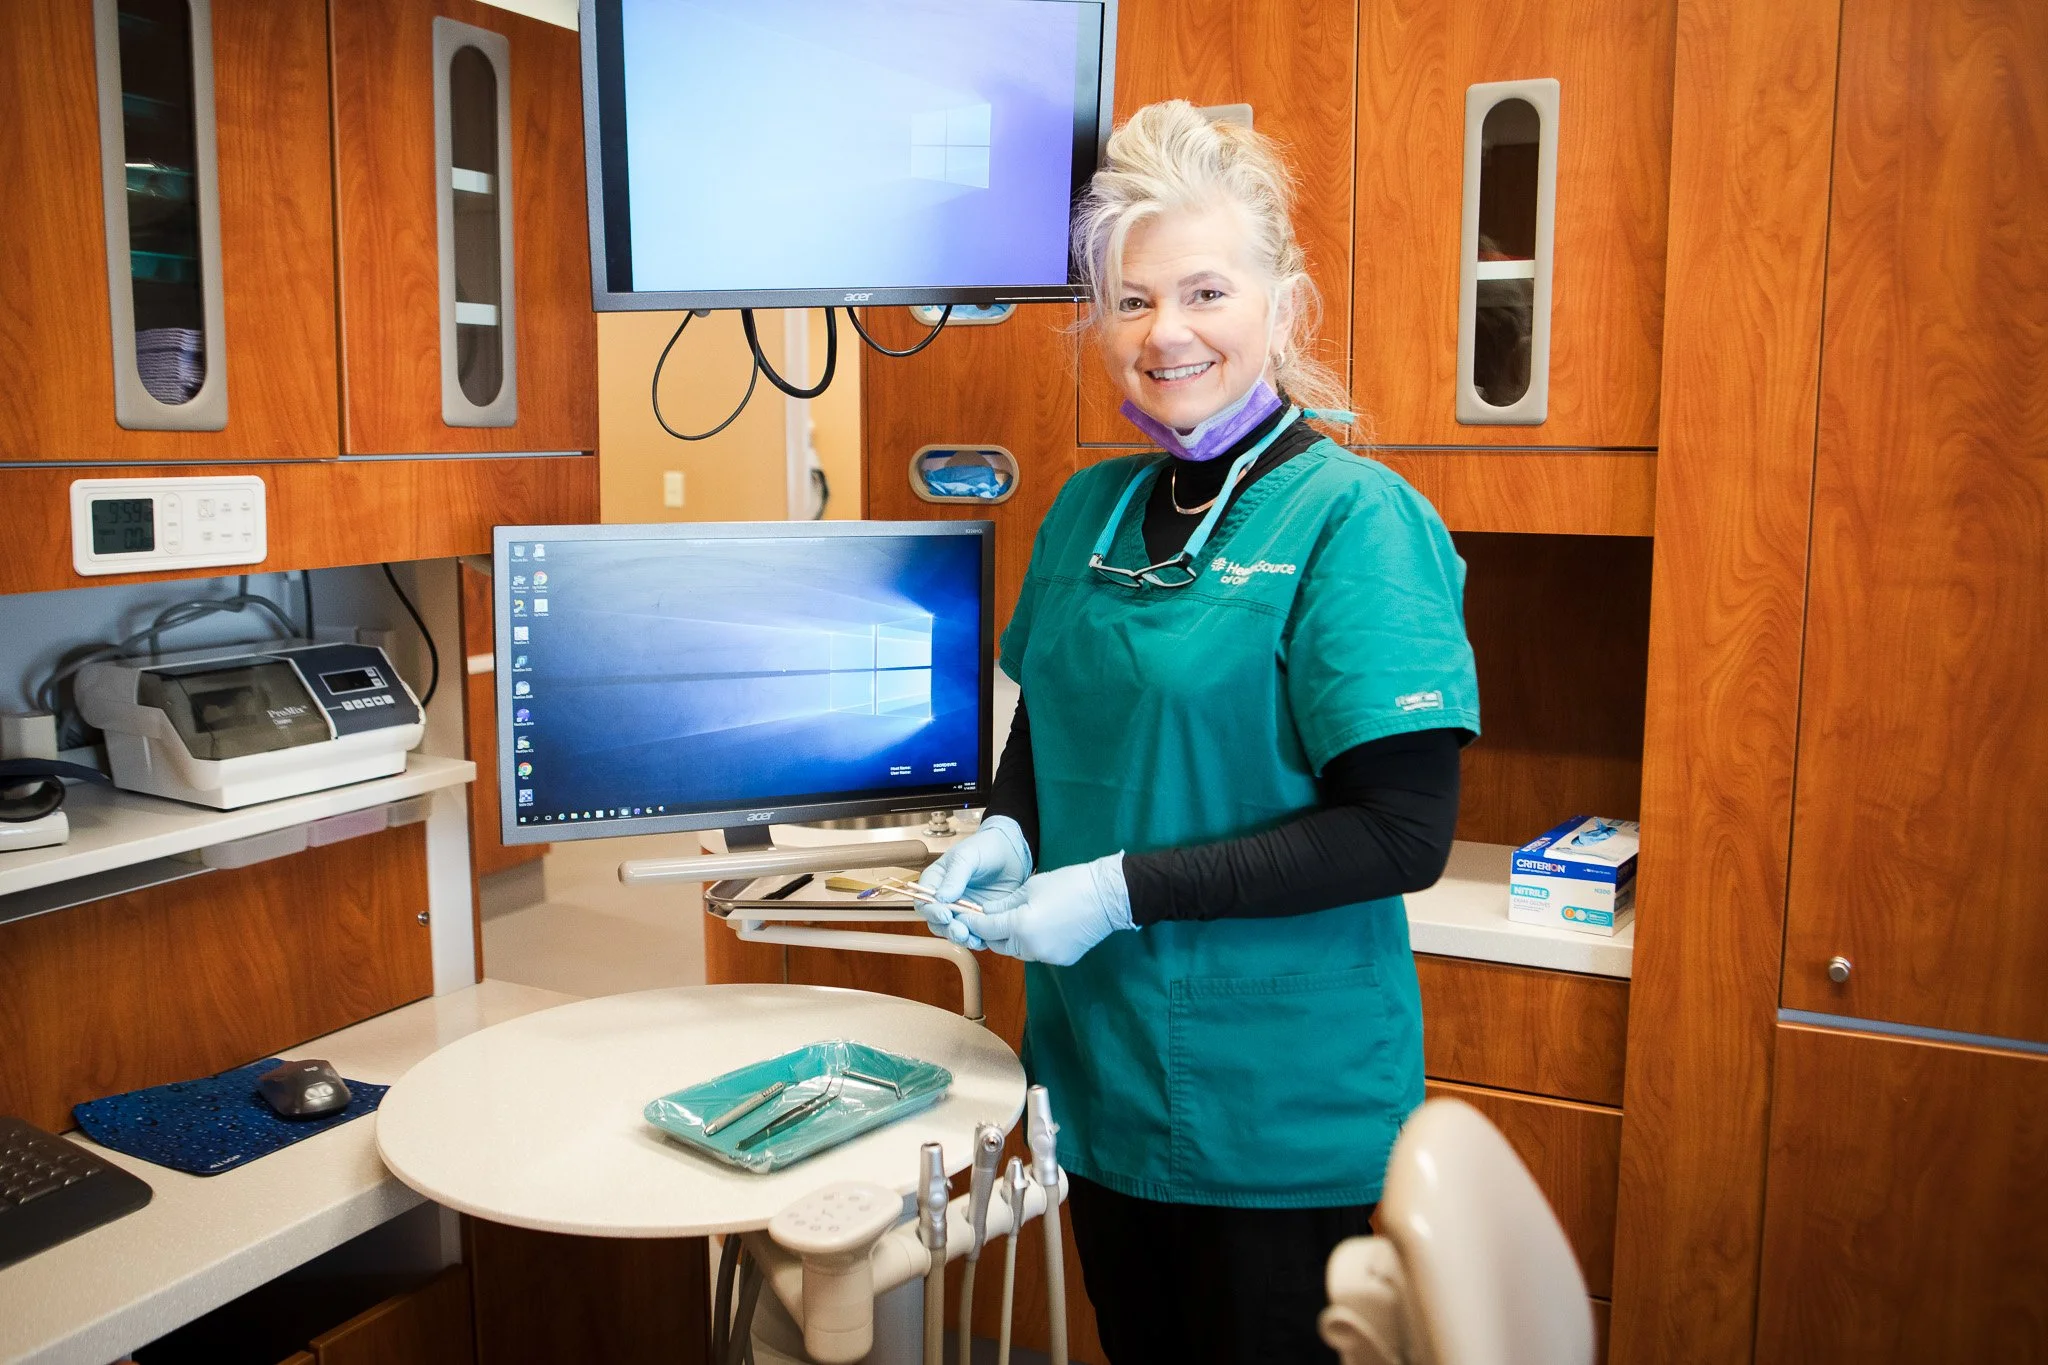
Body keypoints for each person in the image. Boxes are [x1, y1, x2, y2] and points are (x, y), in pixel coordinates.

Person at [916, 101, 1480, 1362]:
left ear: (1281, 304)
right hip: (1099, 1079)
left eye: (1205, 291)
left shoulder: (1354, 523)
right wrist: (1009, 829)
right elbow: (1046, 728)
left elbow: (1399, 834)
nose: (1165, 331)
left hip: (1279, 1117)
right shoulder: (1085, 510)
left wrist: (1116, 891)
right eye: (1128, 300)